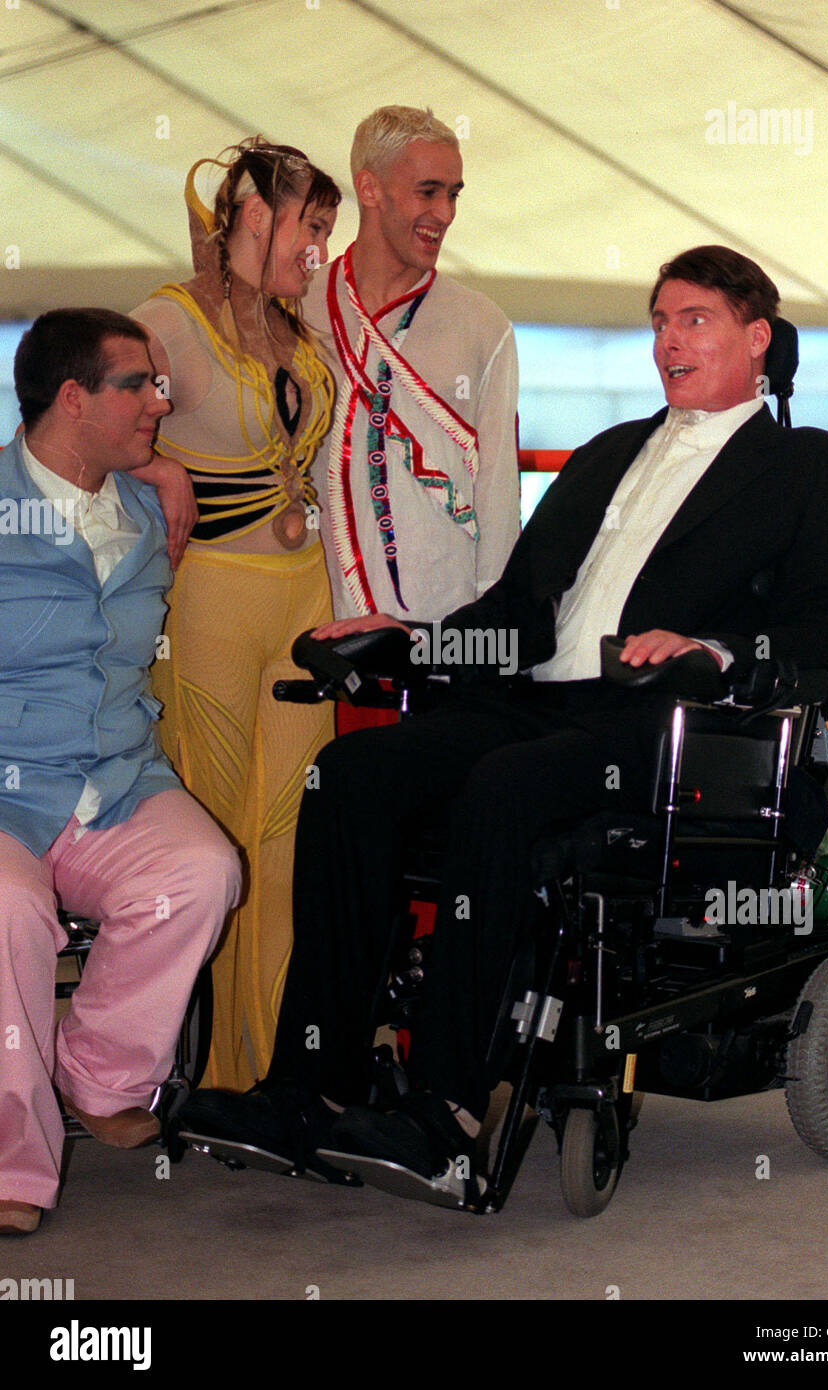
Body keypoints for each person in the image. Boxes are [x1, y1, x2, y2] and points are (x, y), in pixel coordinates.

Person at [180, 246, 828, 1198]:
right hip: (531, 702)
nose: (670, 340)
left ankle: (448, 1111)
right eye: (661, 321)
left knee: (506, 789)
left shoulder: (816, 468)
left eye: (696, 320)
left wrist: (711, 651)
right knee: (351, 776)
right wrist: (413, 639)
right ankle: (312, 1084)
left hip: (667, 727)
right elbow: (514, 614)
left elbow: (825, 630)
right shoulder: (604, 455)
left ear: (758, 339)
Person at [0, 309, 242, 1236]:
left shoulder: (146, 504)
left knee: (203, 874)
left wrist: (161, 467)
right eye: (138, 385)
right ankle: (15, 1158)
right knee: (12, 912)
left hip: (117, 777)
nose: (159, 402)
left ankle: (98, 1075)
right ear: (73, 397)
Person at [132, 139, 342, 1091]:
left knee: (291, 831)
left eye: (328, 232)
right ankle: (199, 1067)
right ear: (255, 213)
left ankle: (272, 1058)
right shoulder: (166, 325)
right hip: (211, 598)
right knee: (211, 832)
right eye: (311, 226)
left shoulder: (294, 325)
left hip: (306, 599)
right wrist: (158, 463)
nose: (320, 250)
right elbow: (63, 426)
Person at [303, 105, 521, 622]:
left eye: (453, 194)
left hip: (441, 621)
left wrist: (489, 624)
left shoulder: (482, 324)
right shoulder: (296, 303)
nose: (445, 213)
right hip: (313, 613)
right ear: (370, 188)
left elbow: (497, 493)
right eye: (428, 191)